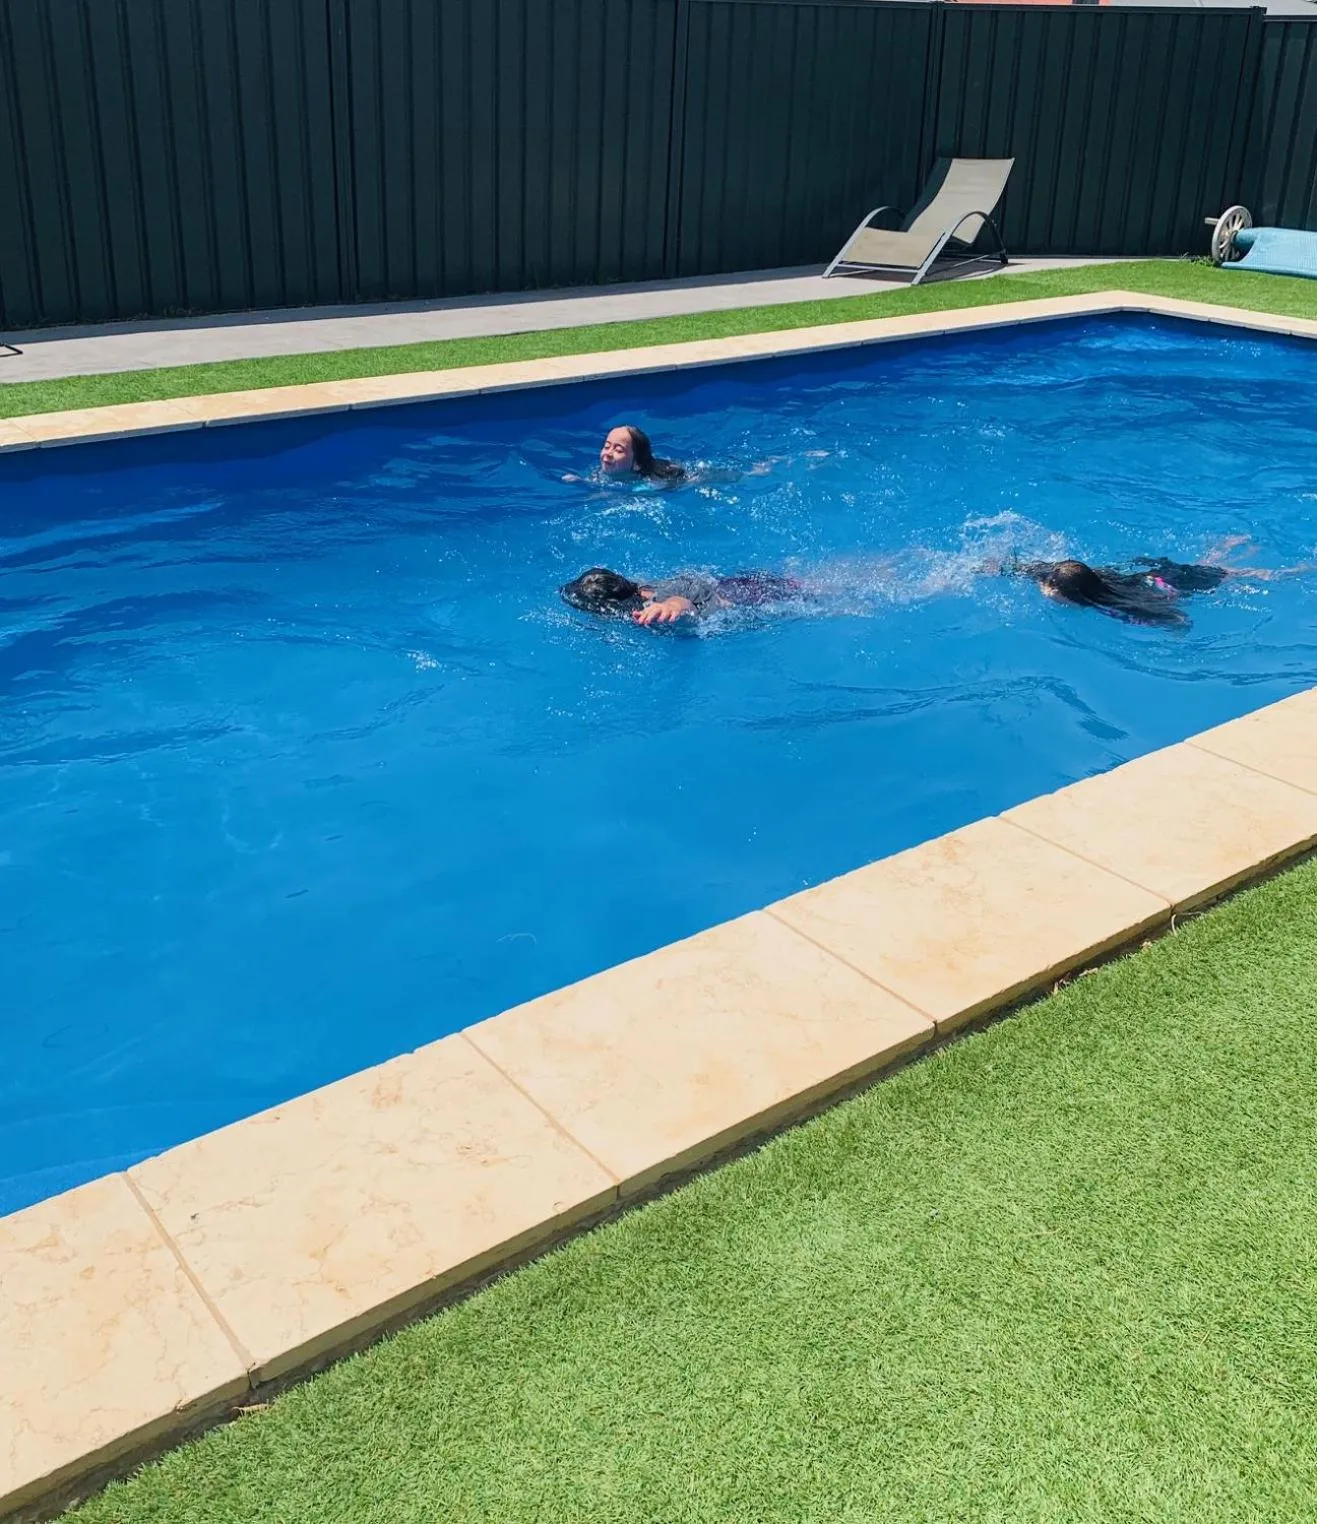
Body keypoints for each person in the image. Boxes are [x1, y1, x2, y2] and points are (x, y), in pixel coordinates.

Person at [1004, 545, 1297, 627]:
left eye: (1052, 589)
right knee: (1208, 568)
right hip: (1158, 575)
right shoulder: (1069, 577)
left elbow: (1179, 620)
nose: (1045, 589)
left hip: (1172, 584)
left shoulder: (1118, 609)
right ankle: (1226, 549)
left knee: (1246, 575)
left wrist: (1176, 631)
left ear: (1078, 596)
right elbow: (1025, 570)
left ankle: (1295, 570)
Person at [561, 566, 803, 626]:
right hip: (732, 584)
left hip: (754, 596)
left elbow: (680, 601)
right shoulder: (638, 587)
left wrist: (670, 608)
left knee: (813, 592)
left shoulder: (655, 605)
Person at [598, 426, 685, 481]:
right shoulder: (599, 475)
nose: (608, 453)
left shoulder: (650, 485)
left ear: (637, 464)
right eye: (606, 446)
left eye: (619, 450)